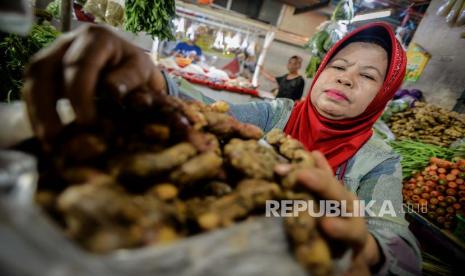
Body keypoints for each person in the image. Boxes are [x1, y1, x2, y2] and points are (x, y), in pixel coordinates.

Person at [21, 22, 421, 275]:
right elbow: (211, 111)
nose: (347, 78)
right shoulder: (277, 114)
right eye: (339, 65)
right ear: (322, 70)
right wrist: (154, 80)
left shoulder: (378, 160)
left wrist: (365, 249)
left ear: (383, 96)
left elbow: (402, 249)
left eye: (368, 75)